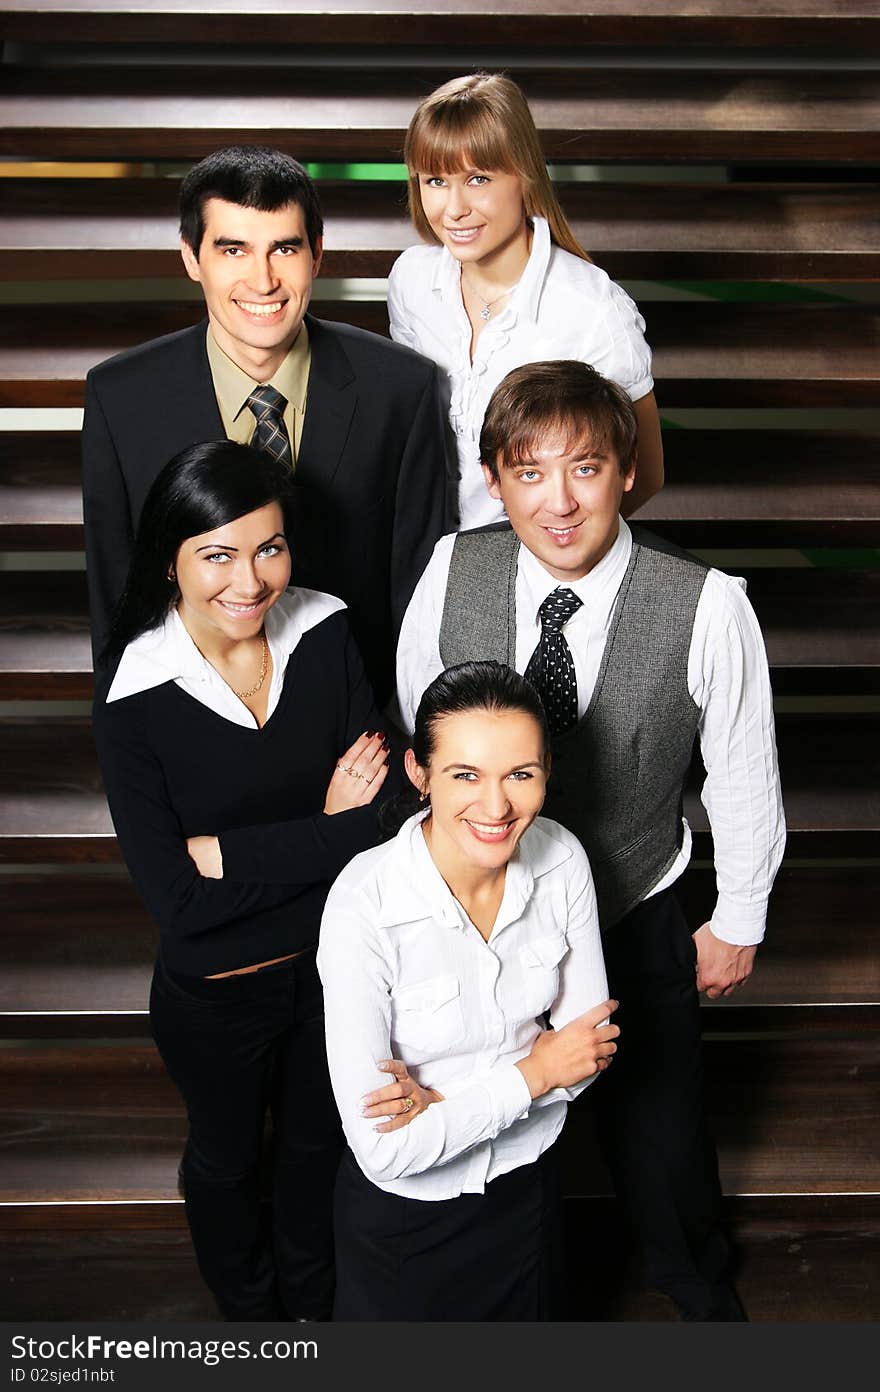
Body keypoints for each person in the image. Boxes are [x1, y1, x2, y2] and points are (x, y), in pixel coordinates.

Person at [397, 360, 786, 1322]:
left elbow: (742, 770)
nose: (559, 502)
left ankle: (693, 1280)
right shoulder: (456, 566)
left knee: (660, 1124)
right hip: (485, 911)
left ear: (624, 472)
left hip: (635, 900)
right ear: (496, 478)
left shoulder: (707, 602)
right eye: (530, 473)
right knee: (494, 1114)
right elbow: (423, 719)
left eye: (585, 469)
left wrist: (736, 918)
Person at [92, 439, 393, 1322]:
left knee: (314, 1150)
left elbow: (380, 822)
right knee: (227, 1162)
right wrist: (328, 831)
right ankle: (249, 1319)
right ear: (172, 563)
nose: (250, 581)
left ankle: (310, 1309)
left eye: (269, 547)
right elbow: (178, 904)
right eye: (217, 555)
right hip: (218, 997)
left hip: (335, 970)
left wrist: (232, 850)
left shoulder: (325, 627)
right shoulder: (134, 691)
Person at [82, 145, 452, 701]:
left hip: (364, 735)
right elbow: (118, 606)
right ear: (191, 256)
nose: (263, 280)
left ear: (317, 254)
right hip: (195, 732)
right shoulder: (121, 399)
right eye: (233, 249)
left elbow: (423, 603)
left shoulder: (401, 390)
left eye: (284, 248)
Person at [317, 660, 618, 1320]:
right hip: (405, 1226)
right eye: (465, 775)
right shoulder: (362, 904)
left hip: (527, 1189)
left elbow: (588, 1059)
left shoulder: (562, 857)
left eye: (521, 774)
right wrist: (534, 1072)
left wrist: (441, 1102)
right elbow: (387, 1149)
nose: (496, 806)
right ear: (419, 774)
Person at [387, 71, 663, 531]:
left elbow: (645, 474)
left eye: (477, 179)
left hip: (528, 567)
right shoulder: (412, 280)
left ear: (524, 174)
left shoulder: (595, 311)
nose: (453, 208)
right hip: (422, 559)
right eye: (435, 180)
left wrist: (550, 545)